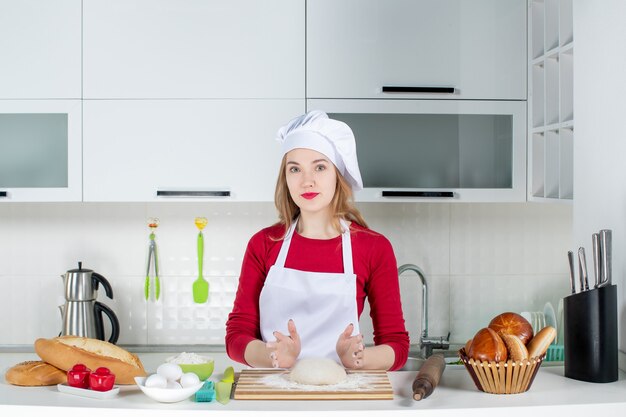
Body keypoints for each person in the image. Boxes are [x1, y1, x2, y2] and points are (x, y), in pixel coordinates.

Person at [225, 110, 409, 371]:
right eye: (295, 169)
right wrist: (274, 356)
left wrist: (357, 359)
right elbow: (236, 336)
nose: (307, 181)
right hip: (273, 393)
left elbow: (396, 345)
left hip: (341, 392)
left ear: (338, 174)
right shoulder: (264, 243)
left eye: (320, 167)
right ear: (285, 178)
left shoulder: (374, 248)